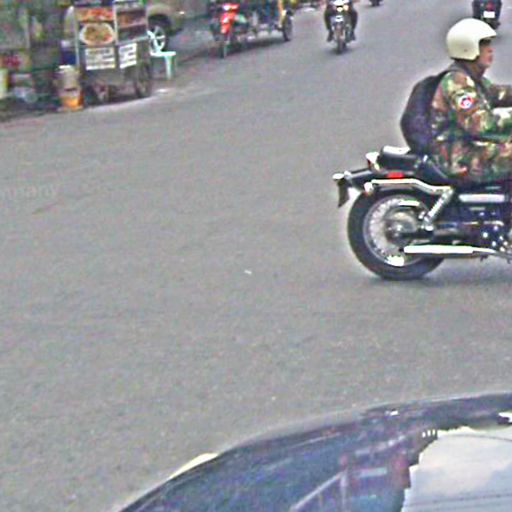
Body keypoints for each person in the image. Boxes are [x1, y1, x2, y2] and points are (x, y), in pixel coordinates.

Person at [430, 18, 512, 183]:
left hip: (469, 145)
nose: (490, 50)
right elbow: (480, 125)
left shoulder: (471, 79)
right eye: (484, 45)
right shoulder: (457, 83)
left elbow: (498, 93)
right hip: (457, 156)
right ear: (468, 48)